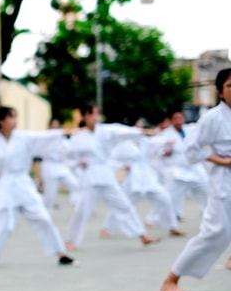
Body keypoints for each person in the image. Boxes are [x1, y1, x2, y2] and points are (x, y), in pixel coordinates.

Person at [160, 68, 231, 291]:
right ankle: (171, 279)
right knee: (214, 233)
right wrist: (220, 160)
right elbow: (191, 149)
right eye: (230, 86)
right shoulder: (213, 118)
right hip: (223, 183)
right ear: (220, 92)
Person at [0, 106, 75, 266]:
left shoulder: (24, 137)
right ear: (1, 120)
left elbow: (45, 138)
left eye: (15, 117)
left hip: (23, 183)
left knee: (43, 217)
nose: (15, 121)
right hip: (4, 186)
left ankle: (61, 253)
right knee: (3, 226)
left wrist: (71, 131)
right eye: (11, 117)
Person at [64, 103, 160, 250]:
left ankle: (142, 235)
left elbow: (123, 131)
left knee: (124, 205)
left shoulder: (106, 131)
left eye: (96, 113)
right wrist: (78, 162)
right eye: (91, 114)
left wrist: (143, 131)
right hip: (89, 176)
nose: (94, 117)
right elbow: (68, 157)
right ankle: (71, 240)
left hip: (105, 174)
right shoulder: (78, 137)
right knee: (82, 210)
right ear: (84, 116)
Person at [99, 119, 185, 238]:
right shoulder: (123, 145)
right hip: (133, 180)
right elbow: (113, 161)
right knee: (123, 204)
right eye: (138, 125)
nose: (140, 128)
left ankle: (172, 227)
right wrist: (123, 166)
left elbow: (157, 141)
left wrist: (167, 142)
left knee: (165, 199)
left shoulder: (145, 141)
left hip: (148, 178)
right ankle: (107, 228)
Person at [156, 109, 208, 221]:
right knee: (171, 197)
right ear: (170, 121)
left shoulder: (191, 129)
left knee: (207, 192)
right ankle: (169, 218)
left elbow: (203, 130)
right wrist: (164, 152)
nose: (178, 121)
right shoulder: (165, 135)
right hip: (177, 171)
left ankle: (210, 215)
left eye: (180, 118)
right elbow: (157, 149)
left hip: (194, 169)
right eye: (175, 119)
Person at [39, 118, 79, 214]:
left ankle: (75, 202)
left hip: (61, 167)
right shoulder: (45, 138)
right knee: (50, 196)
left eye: (57, 125)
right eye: (53, 125)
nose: (55, 127)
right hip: (49, 166)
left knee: (76, 185)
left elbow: (70, 152)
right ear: (49, 126)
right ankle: (44, 213)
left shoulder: (63, 139)